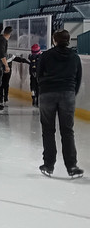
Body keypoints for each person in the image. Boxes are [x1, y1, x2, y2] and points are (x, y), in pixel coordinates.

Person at [37, 30, 83, 178]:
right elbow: (78, 78)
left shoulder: (46, 55)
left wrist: (44, 88)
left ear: (54, 40)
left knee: (48, 130)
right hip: (67, 94)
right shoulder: (75, 57)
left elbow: (38, 75)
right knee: (67, 131)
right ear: (68, 40)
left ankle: (48, 165)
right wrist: (71, 92)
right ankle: (72, 166)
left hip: (47, 94)